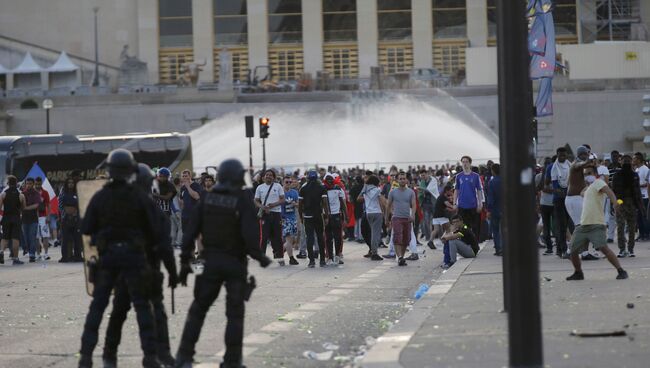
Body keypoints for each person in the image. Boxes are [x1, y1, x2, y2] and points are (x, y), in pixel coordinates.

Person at [175, 159, 271, 368]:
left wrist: (184, 264)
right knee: (235, 314)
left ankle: (183, 357)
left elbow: (190, 232)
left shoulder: (207, 199)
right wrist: (260, 257)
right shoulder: (242, 200)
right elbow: (250, 234)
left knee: (198, 310)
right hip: (235, 264)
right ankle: (232, 361)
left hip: (211, 262)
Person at [79, 149, 162, 368]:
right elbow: (154, 231)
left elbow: (86, 227)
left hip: (108, 259)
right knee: (143, 308)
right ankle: (150, 357)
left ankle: (86, 357)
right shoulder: (139, 197)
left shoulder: (100, 196)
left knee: (97, 308)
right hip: (134, 259)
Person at [102, 163, 179, 368]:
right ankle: (158, 355)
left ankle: (110, 355)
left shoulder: (117, 207)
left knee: (120, 313)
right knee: (154, 314)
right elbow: (165, 246)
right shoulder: (152, 209)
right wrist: (172, 272)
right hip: (145, 269)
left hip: (126, 270)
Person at [566, 165, 628, 280]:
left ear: (595, 174)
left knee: (604, 248)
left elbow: (609, 191)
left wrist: (615, 203)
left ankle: (621, 271)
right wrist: (586, 186)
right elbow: (582, 193)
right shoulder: (589, 188)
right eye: (585, 174)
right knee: (573, 251)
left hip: (596, 224)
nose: (587, 176)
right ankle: (578, 272)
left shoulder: (599, 183)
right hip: (583, 225)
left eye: (589, 173)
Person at [613, 155, 644, 258]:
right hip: (624, 202)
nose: (626, 162)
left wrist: (639, 205)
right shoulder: (622, 175)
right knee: (625, 226)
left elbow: (637, 192)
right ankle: (625, 249)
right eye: (625, 160)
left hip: (627, 202)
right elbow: (615, 190)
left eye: (628, 160)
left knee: (628, 227)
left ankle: (628, 249)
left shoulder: (633, 175)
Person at [298, 170, 329, 267]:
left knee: (309, 238)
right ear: (317, 178)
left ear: (307, 178)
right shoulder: (322, 187)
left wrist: (301, 217)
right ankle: (322, 260)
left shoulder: (303, 188)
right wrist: (326, 216)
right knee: (320, 237)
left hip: (307, 216)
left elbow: (300, 205)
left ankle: (311, 261)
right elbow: (324, 203)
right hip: (318, 215)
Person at [254, 169, 285, 265]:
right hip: (265, 215)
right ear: (263, 177)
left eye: (270, 175)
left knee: (278, 237)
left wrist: (273, 205)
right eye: (267, 175)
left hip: (276, 214)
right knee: (264, 237)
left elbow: (282, 199)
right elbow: (256, 201)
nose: (268, 176)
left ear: (273, 177)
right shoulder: (260, 187)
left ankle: (280, 257)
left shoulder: (278, 186)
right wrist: (263, 207)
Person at [385, 172, 416, 266]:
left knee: (406, 239)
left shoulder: (411, 192)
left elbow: (414, 205)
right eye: (400, 179)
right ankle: (400, 257)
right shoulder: (393, 192)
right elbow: (388, 205)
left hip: (407, 218)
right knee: (397, 237)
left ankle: (401, 256)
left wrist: (413, 215)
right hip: (396, 218)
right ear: (397, 180)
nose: (402, 180)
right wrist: (387, 218)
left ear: (406, 180)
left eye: (404, 178)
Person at [453, 156, 484, 238]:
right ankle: (465, 241)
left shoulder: (475, 176)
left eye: (466, 162)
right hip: (462, 206)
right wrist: (454, 203)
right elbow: (456, 190)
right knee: (464, 226)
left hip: (473, 205)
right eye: (463, 162)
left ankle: (474, 243)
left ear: (470, 163)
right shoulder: (458, 176)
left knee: (474, 226)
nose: (465, 164)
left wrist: (480, 203)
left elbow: (479, 190)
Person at [551, 147, 572, 258]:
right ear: (557, 155)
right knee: (562, 225)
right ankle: (564, 250)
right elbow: (555, 187)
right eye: (560, 155)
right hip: (559, 200)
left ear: (567, 155)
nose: (562, 157)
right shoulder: (554, 168)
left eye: (564, 155)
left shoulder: (570, 166)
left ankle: (559, 249)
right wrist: (565, 192)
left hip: (569, 198)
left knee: (567, 224)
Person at [0, 175, 26, 265]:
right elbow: (23, 207)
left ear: (8, 183)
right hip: (16, 218)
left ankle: (1, 252)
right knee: (15, 239)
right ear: (16, 183)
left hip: (6, 218)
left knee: (5, 238)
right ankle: (15, 258)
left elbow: (0, 208)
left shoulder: (3, 194)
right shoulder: (21, 195)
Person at [358, 175, 384, 261]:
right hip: (377, 213)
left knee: (372, 232)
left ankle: (372, 251)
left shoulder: (365, 190)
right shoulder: (377, 190)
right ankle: (374, 253)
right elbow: (381, 201)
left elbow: (359, 198)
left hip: (368, 213)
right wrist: (385, 211)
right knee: (375, 234)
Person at [323, 173, 347, 266]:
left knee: (338, 237)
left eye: (331, 180)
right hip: (326, 216)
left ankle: (337, 255)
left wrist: (346, 215)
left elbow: (343, 203)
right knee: (328, 238)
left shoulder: (338, 189)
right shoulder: (322, 189)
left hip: (336, 215)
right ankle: (329, 257)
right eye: (327, 180)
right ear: (325, 181)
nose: (330, 181)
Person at [59, 177, 83, 263]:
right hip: (65, 219)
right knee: (65, 239)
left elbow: (80, 204)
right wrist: (65, 215)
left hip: (76, 218)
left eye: (72, 182)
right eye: (69, 182)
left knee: (77, 238)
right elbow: (60, 206)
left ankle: (78, 256)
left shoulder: (77, 193)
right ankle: (65, 257)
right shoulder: (63, 193)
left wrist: (76, 214)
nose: (71, 184)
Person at [21, 177, 42, 263]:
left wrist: (26, 208)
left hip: (33, 219)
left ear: (33, 184)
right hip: (24, 219)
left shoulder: (36, 193)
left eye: (30, 184)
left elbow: (36, 205)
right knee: (26, 238)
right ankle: (29, 251)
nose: (28, 185)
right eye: (27, 184)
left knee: (32, 237)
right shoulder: (22, 193)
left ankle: (32, 255)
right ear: (25, 184)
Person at [281, 176, 300, 265]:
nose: (288, 184)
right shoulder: (280, 192)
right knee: (288, 239)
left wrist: (294, 204)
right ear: (283, 183)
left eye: (290, 182)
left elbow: (298, 204)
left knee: (291, 240)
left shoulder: (294, 192)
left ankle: (279, 251)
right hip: (284, 218)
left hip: (293, 218)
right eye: (286, 182)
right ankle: (291, 258)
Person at [418, 169, 439, 249]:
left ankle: (437, 237)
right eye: (421, 176)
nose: (422, 177)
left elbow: (432, 190)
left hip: (433, 203)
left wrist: (422, 189)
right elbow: (420, 193)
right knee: (426, 221)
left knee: (436, 221)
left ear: (427, 174)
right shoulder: (422, 182)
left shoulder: (433, 180)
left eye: (423, 175)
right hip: (425, 204)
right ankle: (429, 237)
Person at [486, 164, 502, 256]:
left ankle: (498, 249)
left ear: (493, 171)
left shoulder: (492, 182)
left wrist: (488, 210)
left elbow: (490, 198)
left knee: (495, 230)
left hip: (495, 209)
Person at [633, 152, 649, 241]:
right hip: (638, 197)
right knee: (638, 217)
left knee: (644, 217)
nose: (633, 160)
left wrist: (638, 186)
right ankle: (641, 234)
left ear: (638, 160)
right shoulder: (636, 170)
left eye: (634, 159)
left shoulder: (645, 169)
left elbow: (648, 183)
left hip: (645, 196)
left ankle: (646, 234)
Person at [34, 177, 51, 260]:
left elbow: (48, 205)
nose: (38, 186)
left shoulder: (45, 193)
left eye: (39, 184)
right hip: (34, 218)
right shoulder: (32, 192)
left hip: (43, 217)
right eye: (36, 184)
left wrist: (48, 216)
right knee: (36, 237)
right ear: (34, 183)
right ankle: (38, 254)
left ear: (41, 183)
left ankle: (46, 254)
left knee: (45, 236)